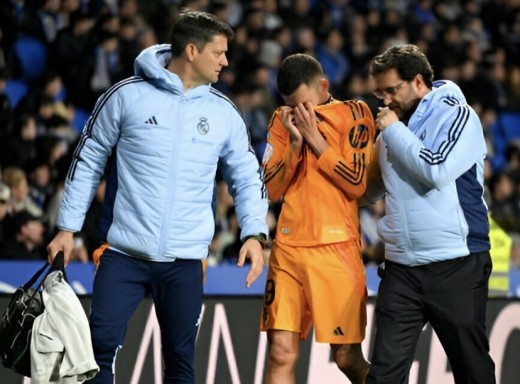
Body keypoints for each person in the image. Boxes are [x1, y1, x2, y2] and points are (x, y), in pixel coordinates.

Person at [46, 10, 269, 384]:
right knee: (96, 354)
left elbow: (248, 177)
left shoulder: (223, 113)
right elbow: (87, 160)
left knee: (181, 362)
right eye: (219, 53)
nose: (226, 61)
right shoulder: (126, 96)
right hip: (122, 254)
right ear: (192, 51)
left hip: (184, 260)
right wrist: (66, 228)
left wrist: (253, 233)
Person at [363, 44, 496, 383]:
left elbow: (436, 170)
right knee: (384, 375)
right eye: (380, 92)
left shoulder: (458, 115)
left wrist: (392, 130)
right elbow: (370, 190)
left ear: (419, 82)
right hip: (401, 268)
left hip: (456, 264)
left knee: (472, 370)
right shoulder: (394, 127)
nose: (385, 100)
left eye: (392, 90)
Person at [260, 53, 376, 384]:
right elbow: (270, 189)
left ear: (323, 86)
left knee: (346, 358)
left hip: (335, 250)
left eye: (304, 105)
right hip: (288, 250)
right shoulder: (280, 120)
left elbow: (356, 182)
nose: (299, 114)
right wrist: (295, 147)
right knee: (280, 353)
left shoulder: (355, 113)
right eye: (292, 107)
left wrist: (315, 138)